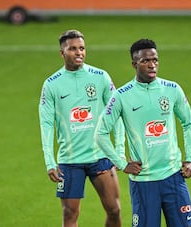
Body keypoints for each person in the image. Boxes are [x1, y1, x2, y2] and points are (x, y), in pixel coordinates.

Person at [95, 38, 191, 227]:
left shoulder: (172, 89)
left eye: (155, 60)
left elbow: (188, 123)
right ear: (134, 64)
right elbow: (100, 133)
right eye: (145, 61)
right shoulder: (121, 95)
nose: (152, 65)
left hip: (174, 177)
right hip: (144, 182)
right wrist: (121, 163)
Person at [38, 29, 125, 227]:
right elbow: (46, 124)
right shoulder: (51, 84)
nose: (79, 53)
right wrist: (49, 161)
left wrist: (119, 150)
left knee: (115, 210)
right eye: (73, 49)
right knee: (69, 215)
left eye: (82, 48)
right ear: (62, 53)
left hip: (100, 157)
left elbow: (117, 115)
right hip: (70, 160)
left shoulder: (100, 77)